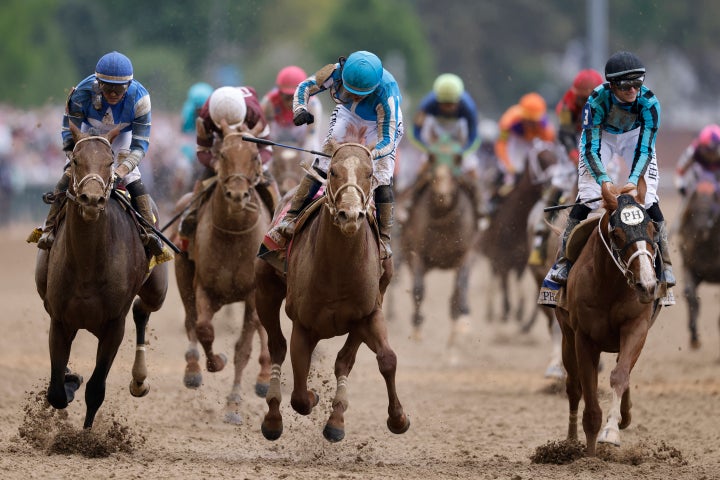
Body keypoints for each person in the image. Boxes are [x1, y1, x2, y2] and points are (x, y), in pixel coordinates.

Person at [548, 50, 675, 290]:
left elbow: (645, 149)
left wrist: (634, 178)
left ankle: (665, 265)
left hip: (635, 138)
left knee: (648, 198)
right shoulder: (595, 101)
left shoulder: (650, 103)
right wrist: (604, 180)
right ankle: (563, 262)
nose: (633, 90)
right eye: (627, 85)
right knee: (588, 195)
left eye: (638, 83)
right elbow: (590, 148)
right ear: (612, 85)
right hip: (602, 138)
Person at [266, 50, 403, 259]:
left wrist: (365, 154)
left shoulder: (388, 95)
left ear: (374, 88)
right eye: (351, 90)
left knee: (383, 175)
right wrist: (300, 108)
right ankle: (290, 218)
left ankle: (384, 239)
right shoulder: (336, 72)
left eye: (361, 93)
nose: (355, 96)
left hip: (381, 124)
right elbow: (304, 86)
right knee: (323, 160)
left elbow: (388, 142)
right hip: (347, 114)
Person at [35, 51, 165, 258]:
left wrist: (120, 171)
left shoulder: (141, 99)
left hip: (122, 136)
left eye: (119, 88)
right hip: (87, 134)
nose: (113, 94)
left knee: (132, 177)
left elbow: (140, 146)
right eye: (107, 87)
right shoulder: (80, 93)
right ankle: (48, 230)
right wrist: (78, 161)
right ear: (97, 83)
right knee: (70, 174)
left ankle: (150, 232)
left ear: (129, 86)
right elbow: (69, 134)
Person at [178, 85, 280, 241]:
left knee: (273, 190)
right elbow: (202, 151)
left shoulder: (255, 114)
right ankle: (189, 222)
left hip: (249, 148)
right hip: (221, 147)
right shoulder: (205, 117)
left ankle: (279, 225)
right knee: (200, 186)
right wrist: (215, 164)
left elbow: (266, 148)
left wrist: (255, 162)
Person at [528, 69, 603, 265]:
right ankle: (539, 240)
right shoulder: (566, 106)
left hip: (599, 147)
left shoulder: (608, 105)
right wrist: (573, 155)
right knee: (558, 185)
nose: (582, 102)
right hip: (572, 147)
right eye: (580, 98)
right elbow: (565, 134)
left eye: (586, 98)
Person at [408, 73, 482, 223]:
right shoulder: (427, 104)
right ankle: (410, 202)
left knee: (473, 168)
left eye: (451, 104)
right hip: (434, 144)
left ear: (459, 101)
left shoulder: (468, 107)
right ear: (437, 99)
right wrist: (428, 149)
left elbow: (474, 137)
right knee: (422, 167)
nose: (448, 108)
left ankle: (479, 207)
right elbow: (414, 132)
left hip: (459, 144)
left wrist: (462, 152)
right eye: (444, 104)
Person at [489, 92, 556, 214]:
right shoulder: (509, 120)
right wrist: (508, 165)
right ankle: (494, 200)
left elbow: (548, 149)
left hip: (532, 143)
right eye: (528, 120)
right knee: (510, 171)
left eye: (533, 121)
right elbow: (501, 144)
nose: (530, 124)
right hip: (515, 141)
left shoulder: (546, 128)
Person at [260, 65, 322, 153]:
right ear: (279, 92)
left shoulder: (312, 104)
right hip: (277, 135)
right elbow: (264, 135)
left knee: (313, 148)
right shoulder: (268, 102)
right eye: (287, 97)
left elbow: (311, 136)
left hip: (301, 136)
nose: (291, 103)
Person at [674, 124, 720, 197]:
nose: (706, 153)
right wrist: (681, 186)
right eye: (703, 149)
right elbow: (680, 171)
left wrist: (715, 187)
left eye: (709, 151)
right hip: (697, 181)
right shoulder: (692, 151)